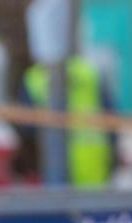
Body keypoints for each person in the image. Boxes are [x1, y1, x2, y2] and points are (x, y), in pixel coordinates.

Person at [20, 55, 118, 187]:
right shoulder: (89, 73)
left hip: (53, 162)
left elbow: (27, 129)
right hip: (92, 160)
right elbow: (111, 118)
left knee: (58, 203)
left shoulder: (33, 78)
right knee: (93, 204)